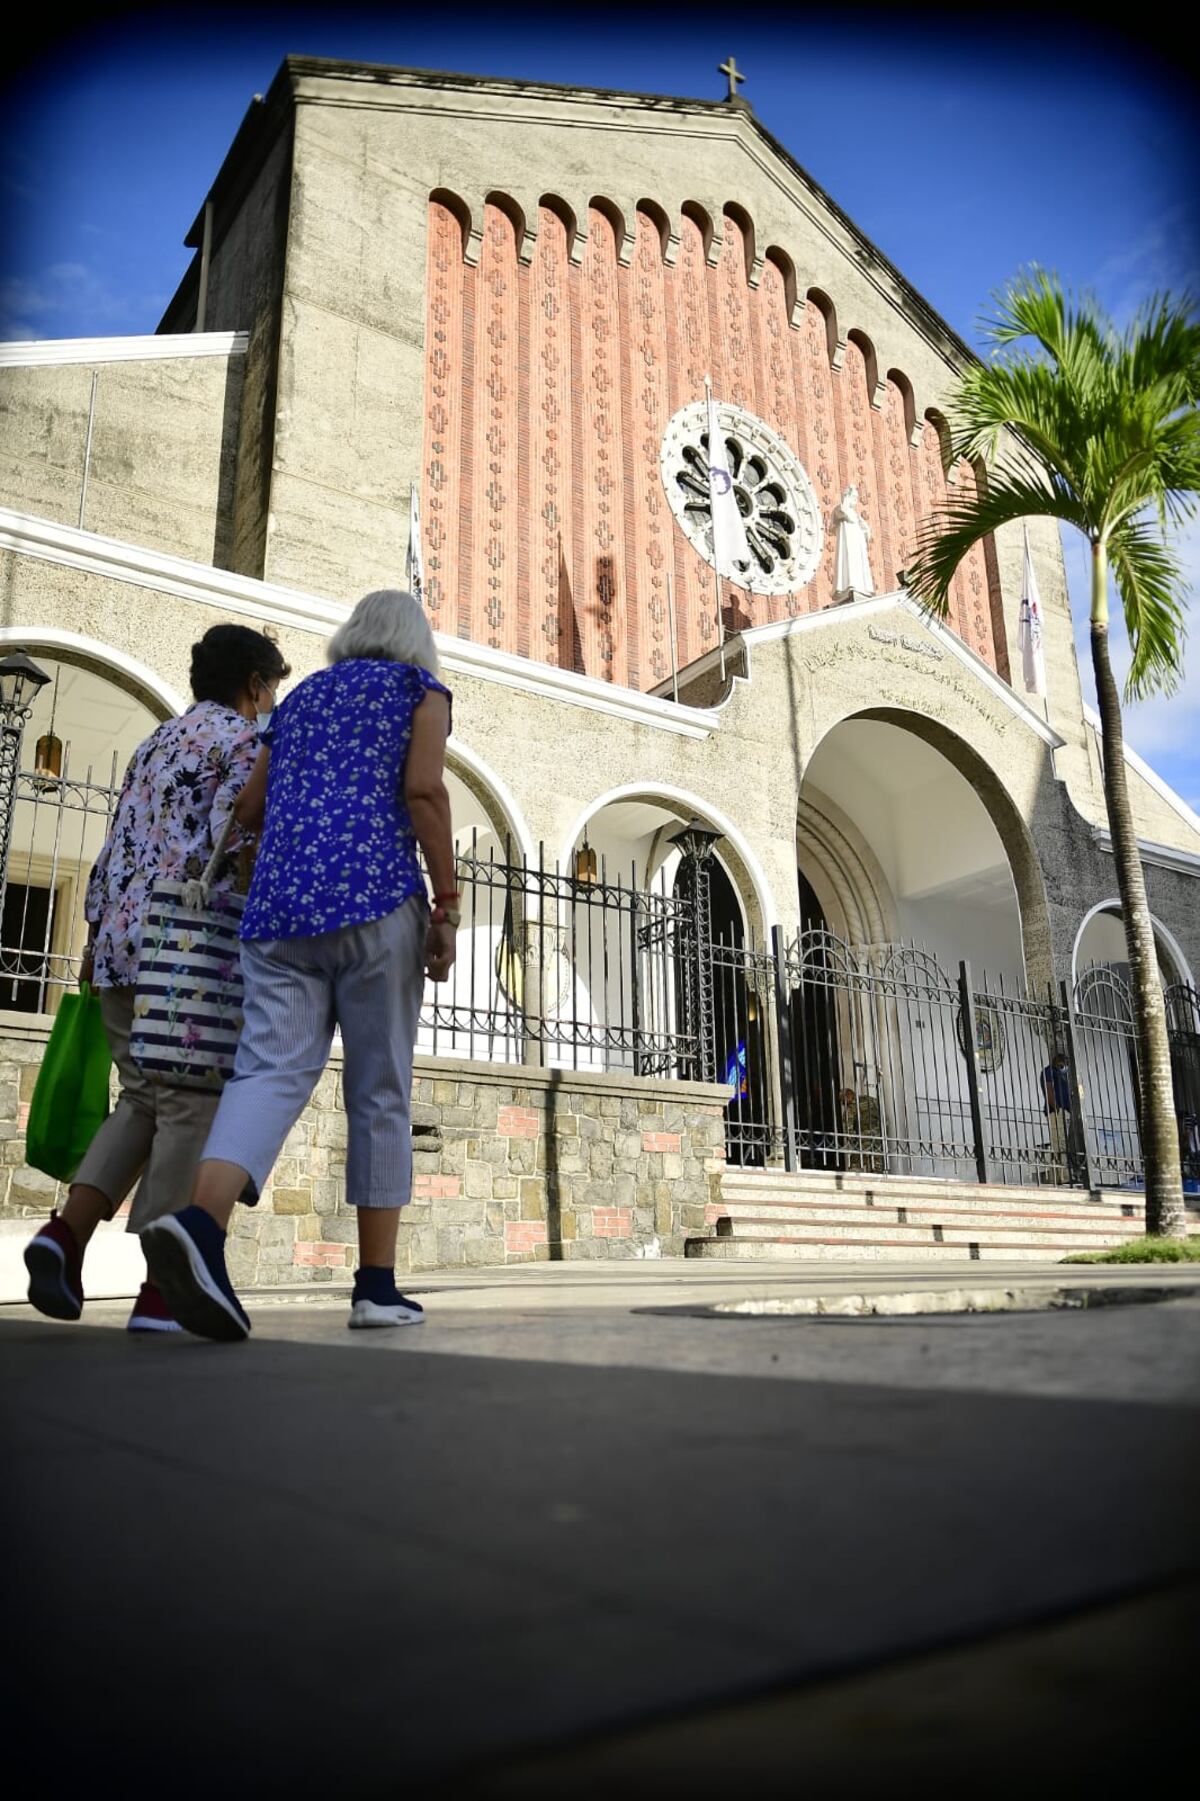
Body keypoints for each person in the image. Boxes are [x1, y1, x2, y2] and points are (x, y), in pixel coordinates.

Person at [141, 590, 458, 1342]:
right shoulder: (420, 690)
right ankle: (375, 1287)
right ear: (414, 640)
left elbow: (248, 809)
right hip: (375, 901)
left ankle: (201, 1224)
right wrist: (446, 902)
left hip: (279, 911)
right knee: (379, 1089)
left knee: (267, 1072)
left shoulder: (304, 697)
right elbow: (423, 790)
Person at [23, 624, 289, 1331]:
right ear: (253, 684)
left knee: (143, 1097)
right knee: (190, 1105)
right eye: (271, 687)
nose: (272, 701)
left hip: (120, 942)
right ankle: (161, 1291)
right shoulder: (244, 742)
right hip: (190, 951)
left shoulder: (156, 741)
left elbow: (115, 843)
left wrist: (94, 933)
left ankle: (65, 1235)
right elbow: (242, 838)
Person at [1042, 1049, 1072, 1184]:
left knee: (1061, 1143)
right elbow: (1048, 1088)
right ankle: (1062, 1175)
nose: (1065, 1066)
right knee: (1060, 1143)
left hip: (1064, 1110)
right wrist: (1055, 1107)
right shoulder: (1049, 1071)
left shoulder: (1061, 1074)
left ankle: (1057, 1176)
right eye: (1064, 1063)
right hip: (1057, 1111)